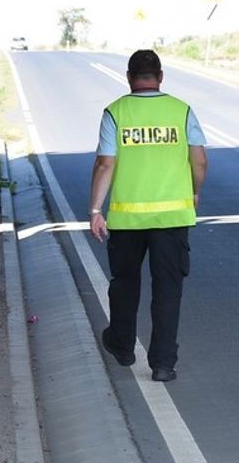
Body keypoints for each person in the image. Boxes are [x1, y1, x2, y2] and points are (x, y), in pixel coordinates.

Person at [89, 49, 208, 382]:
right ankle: (163, 363)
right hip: (172, 219)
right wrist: (195, 191)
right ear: (160, 76)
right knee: (168, 290)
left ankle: (123, 346)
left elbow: (105, 163)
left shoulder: (116, 113)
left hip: (127, 221)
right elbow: (199, 160)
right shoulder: (181, 111)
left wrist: (96, 209)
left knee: (125, 284)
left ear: (129, 76)